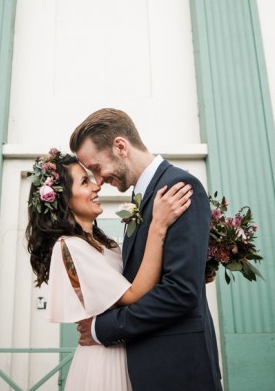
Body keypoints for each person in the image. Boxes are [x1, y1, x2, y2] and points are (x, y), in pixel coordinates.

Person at [70, 108, 222, 391]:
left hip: (178, 370)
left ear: (120, 146)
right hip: (150, 369)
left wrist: (101, 328)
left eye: (96, 168)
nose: (98, 181)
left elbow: (180, 292)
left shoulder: (177, 187)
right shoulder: (141, 198)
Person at [26, 148, 193, 391]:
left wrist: (187, 271)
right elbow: (133, 294)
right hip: (105, 361)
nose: (96, 186)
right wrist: (158, 225)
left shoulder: (106, 243)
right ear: (64, 200)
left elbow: (146, 275)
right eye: (85, 181)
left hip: (130, 352)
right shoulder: (70, 247)